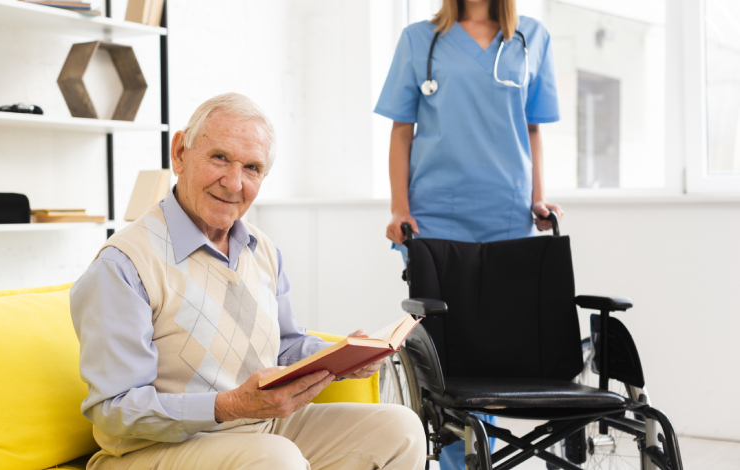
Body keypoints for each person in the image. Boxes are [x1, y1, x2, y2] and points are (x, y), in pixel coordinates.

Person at [70, 92, 426, 470]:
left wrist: (342, 360)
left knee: (400, 428)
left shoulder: (262, 249)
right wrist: (230, 406)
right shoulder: (124, 264)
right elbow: (114, 410)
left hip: (259, 428)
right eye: (220, 157)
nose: (234, 182)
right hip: (151, 451)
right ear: (179, 153)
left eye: (252, 168)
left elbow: (285, 348)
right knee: (277, 460)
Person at [374, 0, 564, 468]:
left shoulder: (532, 37)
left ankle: (483, 454)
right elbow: (403, 130)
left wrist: (538, 199)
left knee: (493, 343)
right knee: (447, 347)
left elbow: (533, 129)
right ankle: (461, 458)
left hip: (507, 211)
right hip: (435, 213)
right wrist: (400, 207)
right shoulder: (421, 38)